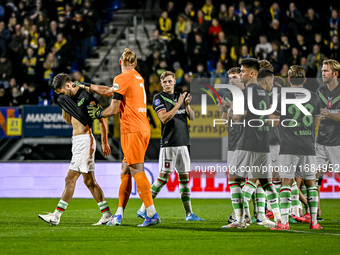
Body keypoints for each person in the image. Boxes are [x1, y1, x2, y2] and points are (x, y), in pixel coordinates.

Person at [76, 48, 160, 227]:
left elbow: (113, 109)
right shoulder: (138, 77)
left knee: (136, 169)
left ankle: (151, 213)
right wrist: (87, 85)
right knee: (125, 169)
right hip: (143, 127)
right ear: (135, 63)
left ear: (120, 62)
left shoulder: (121, 78)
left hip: (132, 129)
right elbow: (109, 91)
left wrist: (99, 113)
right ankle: (119, 214)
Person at [38, 73, 112, 226]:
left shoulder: (85, 94)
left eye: (61, 92)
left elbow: (102, 118)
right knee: (89, 181)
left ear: (67, 85)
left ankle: (56, 216)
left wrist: (104, 142)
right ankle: (107, 215)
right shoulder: (67, 99)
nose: (61, 95)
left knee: (69, 178)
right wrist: (64, 105)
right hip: (77, 141)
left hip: (85, 140)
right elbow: (67, 121)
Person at [136, 71, 204, 221]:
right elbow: (164, 118)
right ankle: (143, 209)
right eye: (164, 82)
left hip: (183, 143)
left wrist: (186, 105)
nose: (167, 84)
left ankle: (189, 214)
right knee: (163, 178)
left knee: (185, 178)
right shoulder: (158, 98)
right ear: (161, 84)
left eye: (169, 81)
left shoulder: (180, 97)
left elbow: (192, 117)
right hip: (169, 143)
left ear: (174, 82)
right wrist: (179, 104)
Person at [223, 59, 281, 229]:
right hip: (264, 143)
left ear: (252, 73)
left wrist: (230, 109)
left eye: (242, 71)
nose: (240, 74)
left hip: (247, 141)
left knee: (233, 178)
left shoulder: (245, 93)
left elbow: (238, 118)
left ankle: (240, 220)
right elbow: (272, 119)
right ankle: (279, 219)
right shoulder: (264, 92)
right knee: (265, 182)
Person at [269, 65, 323, 230]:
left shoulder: (281, 97)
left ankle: (284, 222)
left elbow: (274, 121)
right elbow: (316, 123)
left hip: (288, 145)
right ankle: (314, 222)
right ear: (305, 80)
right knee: (311, 184)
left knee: (286, 182)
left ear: (289, 79)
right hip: (308, 145)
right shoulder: (314, 97)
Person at [315, 59, 340, 220]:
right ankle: (315, 212)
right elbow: (316, 115)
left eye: (326, 71)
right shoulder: (320, 92)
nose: (323, 73)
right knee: (314, 176)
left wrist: (329, 115)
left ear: (335, 74)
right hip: (321, 141)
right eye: (323, 70)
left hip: (337, 142)